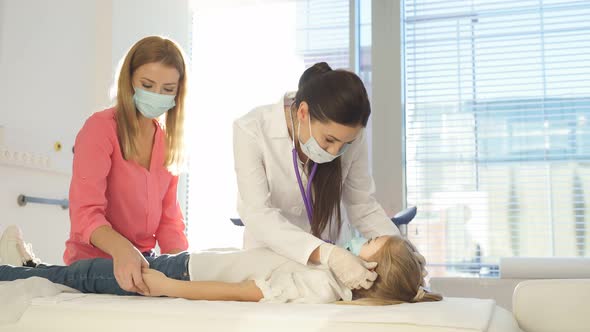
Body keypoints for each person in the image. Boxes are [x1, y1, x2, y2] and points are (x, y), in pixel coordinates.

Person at [233, 62, 425, 291]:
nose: (336, 152)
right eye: (330, 140)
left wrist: (404, 253)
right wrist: (328, 254)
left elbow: (362, 205)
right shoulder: (251, 130)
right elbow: (258, 214)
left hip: (331, 274)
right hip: (269, 262)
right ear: (303, 113)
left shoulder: (352, 137)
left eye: (346, 144)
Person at [0, 225, 441, 304]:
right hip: (189, 262)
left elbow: (243, 290)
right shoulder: (327, 270)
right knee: (81, 275)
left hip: (180, 275)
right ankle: (31, 267)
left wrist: (168, 288)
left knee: (80, 277)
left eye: (371, 243)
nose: (359, 240)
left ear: (371, 271)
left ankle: (18, 271)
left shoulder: (322, 287)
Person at [64, 36, 189, 295]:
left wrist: (183, 265)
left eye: (167, 89)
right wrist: (123, 250)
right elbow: (85, 214)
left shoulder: (166, 142)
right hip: (94, 262)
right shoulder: (100, 128)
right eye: (147, 85)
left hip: (143, 259)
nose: (157, 95)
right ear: (129, 80)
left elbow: (169, 223)